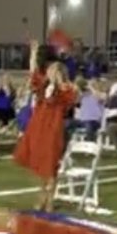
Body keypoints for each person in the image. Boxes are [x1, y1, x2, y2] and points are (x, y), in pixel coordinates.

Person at [14, 39, 76, 211]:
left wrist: (59, 81)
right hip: (39, 127)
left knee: (51, 165)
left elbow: (69, 100)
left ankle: (48, 199)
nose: (48, 72)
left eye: (52, 70)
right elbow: (33, 72)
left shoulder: (65, 89)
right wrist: (33, 53)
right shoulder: (43, 86)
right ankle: (43, 195)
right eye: (49, 70)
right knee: (42, 165)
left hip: (53, 129)